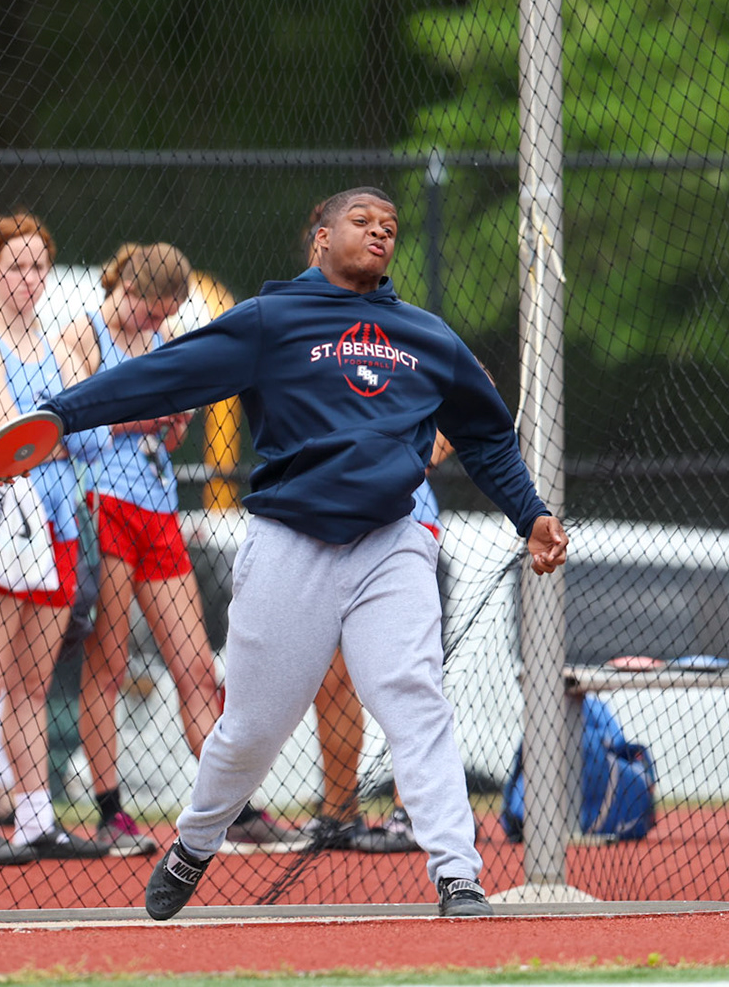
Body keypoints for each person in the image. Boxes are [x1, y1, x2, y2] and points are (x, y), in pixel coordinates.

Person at [28, 186, 569, 920]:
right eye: (361, 221)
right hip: (290, 542)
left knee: (414, 700)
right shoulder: (271, 319)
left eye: (390, 226)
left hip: (392, 539)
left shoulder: (426, 336)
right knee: (253, 726)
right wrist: (62, 414)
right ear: (319, 237)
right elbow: (162, 374)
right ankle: (194, 841)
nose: (380, 232)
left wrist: (529, 514)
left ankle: (457, 874)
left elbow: (486, 433)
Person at [60, 243, 306, 857]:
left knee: (196, 665)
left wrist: (169, 419)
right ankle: (110, 810)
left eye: (164, 314)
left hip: (157, 507)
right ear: (129, 291)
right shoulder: (81, 334)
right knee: (109, 665)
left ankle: (234, 807)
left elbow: (165, 423)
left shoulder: (162, 337)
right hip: (104, 507)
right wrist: (148, 415)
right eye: (151, 311)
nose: (154, 323)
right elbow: (79, 425)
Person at [0, 212, 108, 865]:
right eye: (16, 266)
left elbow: (86, 436)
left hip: (58, 525)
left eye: (39, 266)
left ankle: (37, 820)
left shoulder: (62, 348)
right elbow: (14, 437)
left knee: (34, 684)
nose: (29, 279)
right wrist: (52, 435)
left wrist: (50, 437)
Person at [308, 443, 447, 854]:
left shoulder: (419, 376)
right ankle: (341, 813)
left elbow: (474, 396)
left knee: (403, 675)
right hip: (342, 519)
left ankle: (414, 813)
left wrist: (402, 453)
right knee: (331, 680)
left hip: (408, 521)